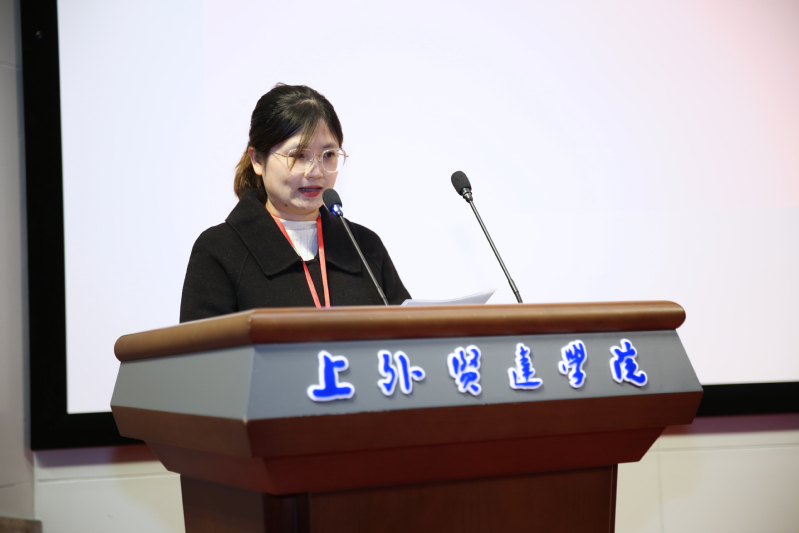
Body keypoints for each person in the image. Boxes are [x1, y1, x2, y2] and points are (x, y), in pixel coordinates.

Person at [179, 84, 410, 322]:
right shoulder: (220, 251)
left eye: (328, 155)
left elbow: (410, 333)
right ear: (257, 160)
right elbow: (203, 344)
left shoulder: (364, 247)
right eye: (299, 155)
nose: (316, 172)